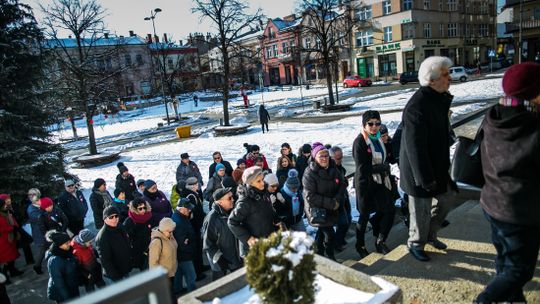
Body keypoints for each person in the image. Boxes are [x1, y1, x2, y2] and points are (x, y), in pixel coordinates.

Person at [475, 62, 540, 303]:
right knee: (519, 270)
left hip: (493, 202)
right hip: (519, 213)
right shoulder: (532, 127)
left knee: (505, 259)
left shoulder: (493, 115)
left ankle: (514, 300)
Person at [399, 56, 457, 262]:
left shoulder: (438, 98)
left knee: (448, 198)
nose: (450, 78)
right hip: (418, 170)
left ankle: (431, 234)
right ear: (431, 80)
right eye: (445, 74)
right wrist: (424, 178)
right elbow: (415, 147)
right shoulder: (417, 106)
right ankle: (415, 243)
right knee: (420, 212)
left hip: (437, 165)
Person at [353, 111, 396, 258]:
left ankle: (380, 240)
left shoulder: (379, 139)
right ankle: (360, 245)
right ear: (364, 125)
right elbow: (361, 168)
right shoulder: (360, 142)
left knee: (390, 210)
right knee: (364, 216)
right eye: (370, 124)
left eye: (377, 123)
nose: (374, 127)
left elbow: (387, 157)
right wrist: (381, 168)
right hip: (365, 184)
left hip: (380, 181)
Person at [303, 142, 346, 260]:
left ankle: (319, 254)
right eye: (320, 156)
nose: (324, 158)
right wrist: (331, 203)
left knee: (322, 232)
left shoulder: (333, 168)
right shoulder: (309, 173)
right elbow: (310, 196)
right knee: (329, 233)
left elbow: (342, 184)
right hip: (318, 208)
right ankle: (330, 256)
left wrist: (336, 199)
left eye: (326, 155)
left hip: (332, 206)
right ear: (314, 157)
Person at [228, 166, 278, 257]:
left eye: (262, 179)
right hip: (254, 249)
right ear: (250, 183)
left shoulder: (263, 193)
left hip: (267, 241)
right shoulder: (245, 201)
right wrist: (248, 238)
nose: (263, 183)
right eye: (258, 181)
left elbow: (268, 209)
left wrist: (277, 220)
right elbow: (232, 222)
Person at [203, 188, 242, 281]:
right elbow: (207, 244)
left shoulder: (233, 212)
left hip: (236, 260)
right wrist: (219, 259)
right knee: (221, 290)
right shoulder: (212, 218)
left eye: (232, 197)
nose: (233, 199)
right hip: (221, 265)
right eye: (229, 198)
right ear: (220, 202)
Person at [95, 206, 133, 283]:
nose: (115, 219)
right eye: (111, 217)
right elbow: (105, 261)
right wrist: (115, 276)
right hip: (115, 275)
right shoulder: (102, 237)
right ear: (105, 219)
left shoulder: (119, 226)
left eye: (116, 216)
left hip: (124, 268)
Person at [181, 177, 207, 280]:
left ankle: (200, 266)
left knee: (198, 247)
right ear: (193, 186)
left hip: (194, 225)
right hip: (194, 226)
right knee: (195, 248)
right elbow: (193, 212)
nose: (198, 186)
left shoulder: (189, 194)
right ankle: (197, 271)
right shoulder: (191, 195)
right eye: (196, 185)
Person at [45, 231, 80, 303]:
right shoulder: (54, 261)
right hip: (62, 295)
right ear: (59, 245)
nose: (69, 244)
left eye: (69, 242)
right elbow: (59, 283)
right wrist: (67, 299)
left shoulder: (67, 251)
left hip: (72, 288)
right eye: (66, 243)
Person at [329, 146, 352, 252]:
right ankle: (336, 243)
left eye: (341, 157)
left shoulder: (340, 167)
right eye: (338, 158)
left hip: (344, 197)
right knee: (343, 222)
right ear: (332, 158)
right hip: (336, 200)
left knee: (349, 218)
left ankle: (340, 240)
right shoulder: (330, 170)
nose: (341, 160)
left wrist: (345, 182)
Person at [171, 200, 197, 293]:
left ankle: (178, 291)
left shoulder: (178, 216)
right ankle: (193, 295)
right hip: (184, 255)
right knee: (191, 276)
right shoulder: (179, 222)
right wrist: (190, 249)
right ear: (181, 209)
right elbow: (182, 243)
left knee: (179, 274)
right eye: (188, 209)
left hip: (179, 254)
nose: (189, 211)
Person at [149, 217, 178, 299]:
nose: (172, 232)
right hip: (164, 277)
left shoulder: (170, 235)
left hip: (171, 272)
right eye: (170, 231)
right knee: (170, 298)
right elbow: (153, 263)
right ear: (164, 230)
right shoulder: (156, 242)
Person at [123, 198, 152, 271]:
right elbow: (126, 238)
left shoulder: (148, 216)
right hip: (139, 251)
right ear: (135, 209)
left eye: (144, 208)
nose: (143, 210)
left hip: (150, 247)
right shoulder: (129, 221)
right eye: (140, 208)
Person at [0, 198, 23, 281]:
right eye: (3, 205)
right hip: (4, 240)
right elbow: (4, 227)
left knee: (11, 257)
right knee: (7, 259)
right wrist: (10, 228)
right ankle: (4, 276)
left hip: (10, 238)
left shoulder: (6, 213)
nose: (5, 206)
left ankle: (13, 271)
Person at [27, 189, 46, 274]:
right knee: (42, 250)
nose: (31, 196)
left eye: (33, 194)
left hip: (45, 231)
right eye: (30, 195)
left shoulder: (41, 204)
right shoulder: (31, 209)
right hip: (40, 233)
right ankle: (37, 266)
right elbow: (39, 218)